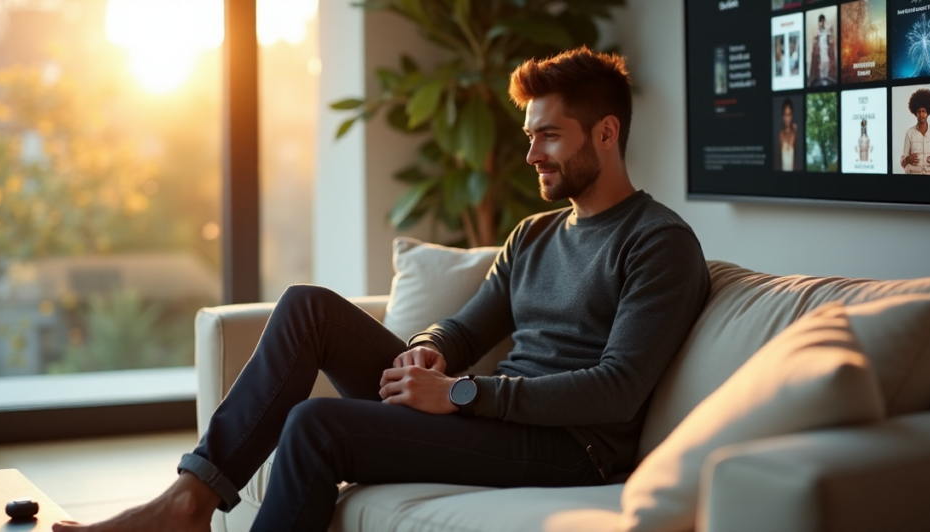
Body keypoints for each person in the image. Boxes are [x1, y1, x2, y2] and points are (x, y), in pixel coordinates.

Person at [53, 46, 711, 532]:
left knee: (315, 424)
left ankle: (186, 509)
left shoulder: (659, 242)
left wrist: (461, 394)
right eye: (529, 135)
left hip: (574, 449)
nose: (533, 152)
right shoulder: (535, 235)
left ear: (606, 133)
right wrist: (430, 352)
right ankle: (191, 499)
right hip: (497, 418)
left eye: (549, 136)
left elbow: (617, 388)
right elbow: (464, 329)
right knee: (307, 307)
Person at [901, 88, 930, 174]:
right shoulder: (910, 133)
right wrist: (908, 159)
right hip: (913, 178)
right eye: (919, 111)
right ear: (915, 114)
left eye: (924, 111)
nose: (921, 114)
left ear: (928, 113)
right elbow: (903, 162)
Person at [809, 14, 836, 86]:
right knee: (820, 69)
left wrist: (829, 33)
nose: (822, 23)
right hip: (820, 54)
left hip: (826, 53)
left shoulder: (827, 31)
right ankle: (822, 83)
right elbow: (814, 45)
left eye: (823, 21)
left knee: (826, 67)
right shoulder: (817, 32)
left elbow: (831, 42)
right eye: (820, 21)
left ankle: (826, 83)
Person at [779, 98, 798, 171]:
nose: (787, 118)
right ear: (782, 116)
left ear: (792, 116)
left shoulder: (795, 132)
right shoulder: (780, 134)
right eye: (785, 115)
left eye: (789, 115)